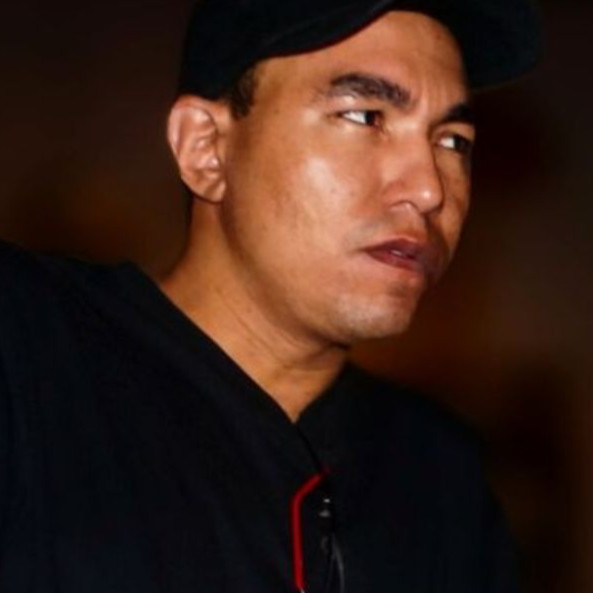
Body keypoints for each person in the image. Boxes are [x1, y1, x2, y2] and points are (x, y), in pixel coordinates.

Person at [0, 0, 541, 591]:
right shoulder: (29, 355)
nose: (429, 188)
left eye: (453, 141)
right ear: (205, 147)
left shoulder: (437, 474)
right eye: (365, 116)